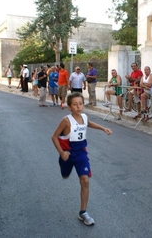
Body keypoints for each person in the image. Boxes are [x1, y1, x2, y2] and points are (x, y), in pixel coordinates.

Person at [51, 92, 112, 226]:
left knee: (84, 180)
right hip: (68, 153)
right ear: (69, 107)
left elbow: (88, 123)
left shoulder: (84, 116)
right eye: (75, 104)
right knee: (65, 175)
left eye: (80, 104)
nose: (78, 107)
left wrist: (103, 128)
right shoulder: (66, 120)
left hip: (81, 153)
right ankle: (64, 166)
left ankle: (83, 212)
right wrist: (61, 153)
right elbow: (54, 137)